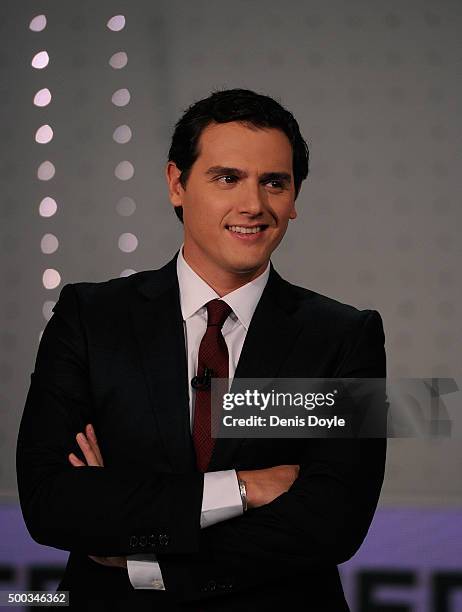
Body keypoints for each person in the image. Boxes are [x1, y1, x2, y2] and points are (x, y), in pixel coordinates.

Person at [16, 88, 387, 611]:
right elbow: (52, 504)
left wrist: (140, 551)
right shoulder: (89, 317)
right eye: (227, 177)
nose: (253, 205)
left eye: (274, 183)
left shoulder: (347, 336)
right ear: (176, 183)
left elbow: (331, 523)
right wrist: (241, 489)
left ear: (295, 198)